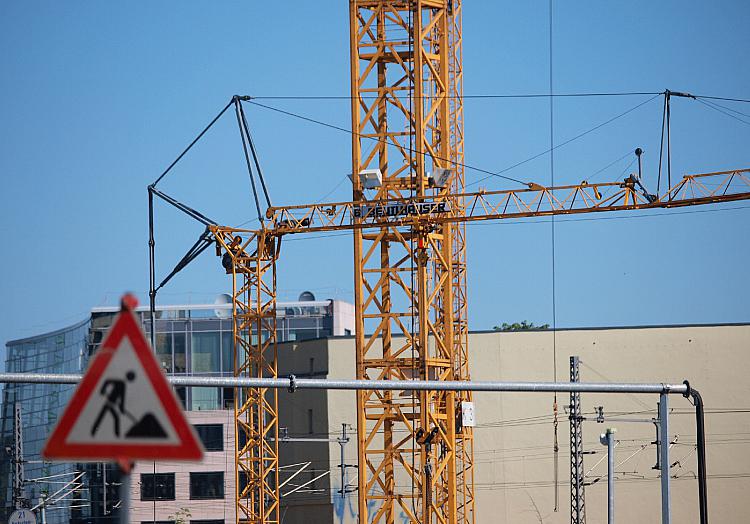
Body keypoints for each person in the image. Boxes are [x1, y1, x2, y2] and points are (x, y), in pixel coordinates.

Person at [91, 371, 135, 437]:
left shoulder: (123, 384)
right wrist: (102, 390)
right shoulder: (120, 383)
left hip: (111, 403)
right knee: (113, 418)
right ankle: (116, 436)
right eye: (131, 378)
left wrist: (121, 407)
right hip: (109, 403)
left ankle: (93, 431)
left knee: (104, 417)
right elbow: (107, 381)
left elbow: (122, 397)